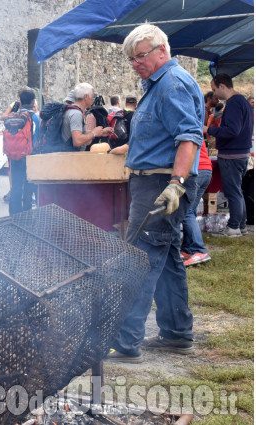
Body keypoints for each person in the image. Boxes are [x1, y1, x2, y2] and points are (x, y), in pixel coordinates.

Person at [106, 24, 203, 363]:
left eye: (141, 56)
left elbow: (189, 137)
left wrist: (176, 182)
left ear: (162, 50)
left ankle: (126, 340)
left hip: (162, 184)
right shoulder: (158, 85)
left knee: (140, 258)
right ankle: (177, 333)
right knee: (168, 258)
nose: (136, 63)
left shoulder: (171, 84)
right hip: (154, 180)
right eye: (132, 59)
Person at [205, 73, 254, 237]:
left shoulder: (234, 103)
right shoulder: (243, 102)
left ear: (222, 86)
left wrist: (209, 130)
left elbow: (232, 130)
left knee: (232, 192)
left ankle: (233, 227)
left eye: (214, 89)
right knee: (237, 191)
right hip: (240, 153)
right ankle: (240, 226)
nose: (214, 94)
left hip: (232, 155)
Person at [2, 88, 40, 215]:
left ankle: (14, 215)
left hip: (13, 155)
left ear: (20, 101)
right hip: (30, 155)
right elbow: (38, 136)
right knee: (29, 186)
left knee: (16, 186)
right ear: (33, 101)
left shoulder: (13, 116)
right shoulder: (34, 117)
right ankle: (26, 214)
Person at [181, 140, 213, 266]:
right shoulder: (194, 124)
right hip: (206, 170)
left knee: (186, 211)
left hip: (195, 171)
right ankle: (188, 249)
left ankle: (199, 250)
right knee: (191, 211)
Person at [58, 82, 113, 152]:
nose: (93, 100)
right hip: (72, 158)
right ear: (86, 97)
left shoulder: (72, 111)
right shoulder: (76, 114)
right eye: (92, 97)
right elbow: (77, 141)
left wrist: (101, 132)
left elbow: (76, 132)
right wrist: (94, 133)